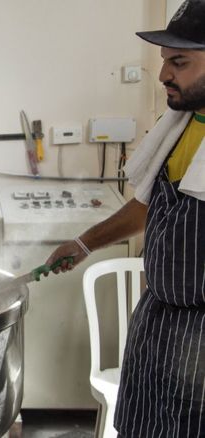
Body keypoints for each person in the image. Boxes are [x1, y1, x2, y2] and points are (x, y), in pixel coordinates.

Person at [45, 1, 204, 436]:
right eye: (165, 61)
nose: (164, 75)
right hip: (155, 323)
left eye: (180, 61)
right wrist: (83, 244)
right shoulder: (180, 125)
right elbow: (151, 204)